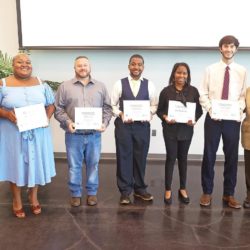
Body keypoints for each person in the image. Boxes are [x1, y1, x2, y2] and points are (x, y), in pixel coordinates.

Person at [0, 53, 56, 218]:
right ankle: (16, 200)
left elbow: (51, 104)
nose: (24, 64)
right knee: (15, 164)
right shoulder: (3, 84)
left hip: (38, 133)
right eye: (20, 62)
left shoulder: (40, 83)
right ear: (13, 65)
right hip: (13, 134)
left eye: (28, 62)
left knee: (36, 162)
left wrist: (47, 116)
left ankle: (33, 196)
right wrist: (6, 114)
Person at [54, 56, 112, 207]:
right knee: (74, 166)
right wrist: (68, 122)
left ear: (89, 67)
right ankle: (75, 193)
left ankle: (92, 193)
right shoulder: (65, 87)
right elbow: (58, 110)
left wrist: (105, 123)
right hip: (74, 135)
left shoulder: (101, 86)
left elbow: (107, 108)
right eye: (79, 65)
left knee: (93, 164)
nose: (82, 68)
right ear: (74, 68)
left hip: (94, 135)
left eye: (85, 65)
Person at [199, 35, 247, 209]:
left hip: (232, 120)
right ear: (220, 48)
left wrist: (238, 110)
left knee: (232, 157)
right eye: (225, 46)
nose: (228, 49)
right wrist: (212, 111)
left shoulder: (242, 71)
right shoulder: (210, 69)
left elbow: (242, 97)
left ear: (236, 49)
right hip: (214, 119)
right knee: (209, 155)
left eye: (232, 46)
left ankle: (229, 194)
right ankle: (207, 192)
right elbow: (203, 93)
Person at [111, 54, 158, 205]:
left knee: (140, 157)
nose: (136, 67)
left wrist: (149, 113)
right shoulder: (119, 84)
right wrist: (121, 113)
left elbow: (154, 105)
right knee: (124, 157)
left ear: (143, 67)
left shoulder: (149, 85)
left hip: (142, 127)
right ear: (129, 66)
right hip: (124, 126)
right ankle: (125, 191)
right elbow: (112, 105)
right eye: (133, 64)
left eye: (139, 64)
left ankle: (140, 189)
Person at [157, 62, 202, 204]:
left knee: (183, 158)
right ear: (173, 74)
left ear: (188, 75)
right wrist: (165, 117)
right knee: (171, 158)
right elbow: (159, 110)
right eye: (178, 72)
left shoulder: (193, 91)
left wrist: (193, 119)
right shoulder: (166, 91)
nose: (181, 75)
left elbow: (199, 110)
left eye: (184, 73)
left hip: (186, 130)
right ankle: (168, 189)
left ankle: (183, 188)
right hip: (170, 130)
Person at [241, 87, 250, 208]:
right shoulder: (248, 91)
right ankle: (249, 195)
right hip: (249, 135)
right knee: (249, 167)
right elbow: (239, 107)